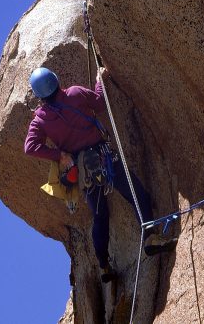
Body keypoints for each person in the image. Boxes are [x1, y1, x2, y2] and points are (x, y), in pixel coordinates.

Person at [24, 66, 177, 282]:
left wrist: (60, 155)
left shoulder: (40, 120)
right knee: (135, 193)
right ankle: (151, 237)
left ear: (39, 95)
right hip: (104, 157)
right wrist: (99, 80)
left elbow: (30, 147)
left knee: (100, 215)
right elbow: (99, 102)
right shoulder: (75, 93)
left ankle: (104, 266)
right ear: (57, 82)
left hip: (83, 169)